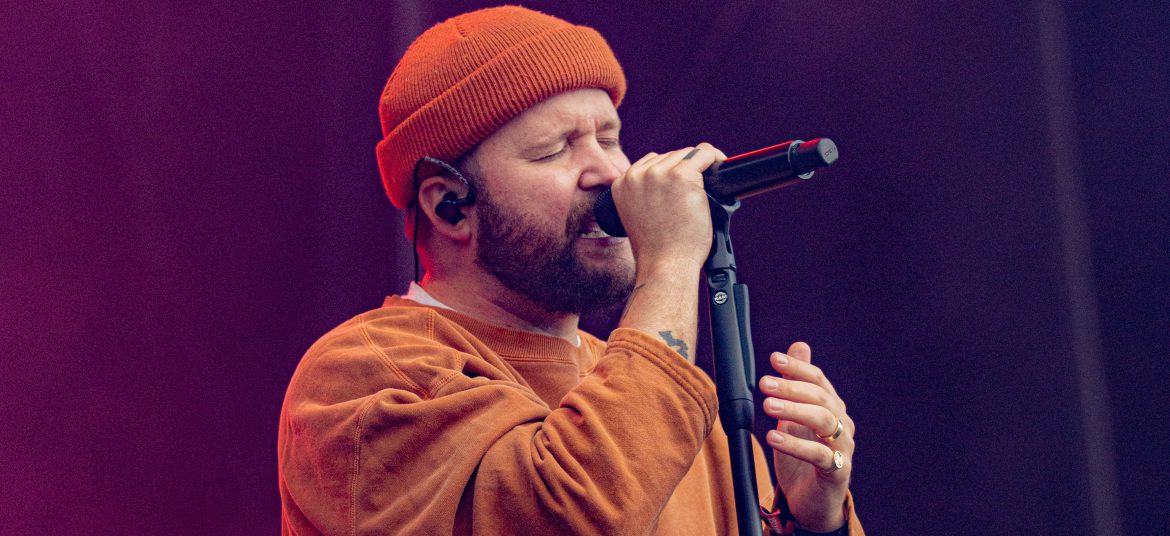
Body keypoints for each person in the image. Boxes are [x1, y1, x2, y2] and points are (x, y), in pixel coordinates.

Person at [278, 6, 861, 535]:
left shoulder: (670, 401)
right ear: (449, 206)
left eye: (611, 139)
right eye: (555, 149)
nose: (609, 173)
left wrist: (815, 521)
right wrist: (669, 264)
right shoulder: (362, 377)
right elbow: (573, 519)